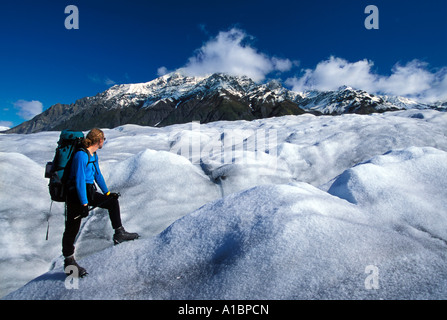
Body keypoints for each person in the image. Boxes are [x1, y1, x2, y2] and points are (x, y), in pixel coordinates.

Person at [62, 128, 139, 277]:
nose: (104, 141)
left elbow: (97, 174)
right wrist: (84, 204)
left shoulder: (93, 154)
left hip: (88, 191)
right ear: (99, 140)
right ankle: (69, 262)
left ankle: (119, 233)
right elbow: (78, 181)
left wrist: (108, 193)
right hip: (75, 194)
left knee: (112, 202)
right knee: (72, 228)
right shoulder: (81, 155)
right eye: (103, 139)